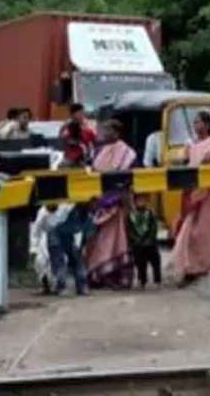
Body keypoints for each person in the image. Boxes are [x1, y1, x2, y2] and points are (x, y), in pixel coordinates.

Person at [171, 111, 210, 284]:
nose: (196, 126)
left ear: (208, 125)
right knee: (189, 227)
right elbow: (184, 163)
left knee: (205, 229)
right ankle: (188, 265)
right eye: (194, 123)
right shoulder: (190, 145)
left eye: (200, 122)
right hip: (192, 190)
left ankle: (203, 264)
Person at [85, 119, 138, 290]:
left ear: (116, 133)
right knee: (97, 241)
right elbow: (92, 173)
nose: (103, 133)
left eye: (107, 130)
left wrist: (118, 198)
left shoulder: (127, 152)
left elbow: (127, 178)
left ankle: (116, 276)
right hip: (99, 203)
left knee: (117, 240)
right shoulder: (98, 151)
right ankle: (98, 275)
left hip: (117, 203)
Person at [30, 203, 69, 294]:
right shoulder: (42, 212)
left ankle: (60, 286)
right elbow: (36, 230)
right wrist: (33, 248)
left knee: (62, 260)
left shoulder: (65, 208)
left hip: (61, 237)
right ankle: (45, 286)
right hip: (45, 238)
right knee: (41, 261)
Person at [127, 194, 161, 289]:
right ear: (135, 202)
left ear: (146, 201)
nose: (141, 202)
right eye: (138, 200)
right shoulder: (131, 215)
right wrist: (135, 239)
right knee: (140, 264)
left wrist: (150, 239)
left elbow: (153, 228)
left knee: (155, 262)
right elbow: (130, 230)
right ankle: (142, 280)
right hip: (137, 244)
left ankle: (157, 280)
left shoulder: (150, 213)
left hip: (150, 244)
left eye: (143, 200)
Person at [60, 103, 97, 167]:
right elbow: (63, 138)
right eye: (79, 113)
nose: (82, 115)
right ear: (72, 115)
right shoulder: (67, 126)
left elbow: (93, 139)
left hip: (85, 157)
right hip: (70, 158)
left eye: (83, 113)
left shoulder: (89, 125)